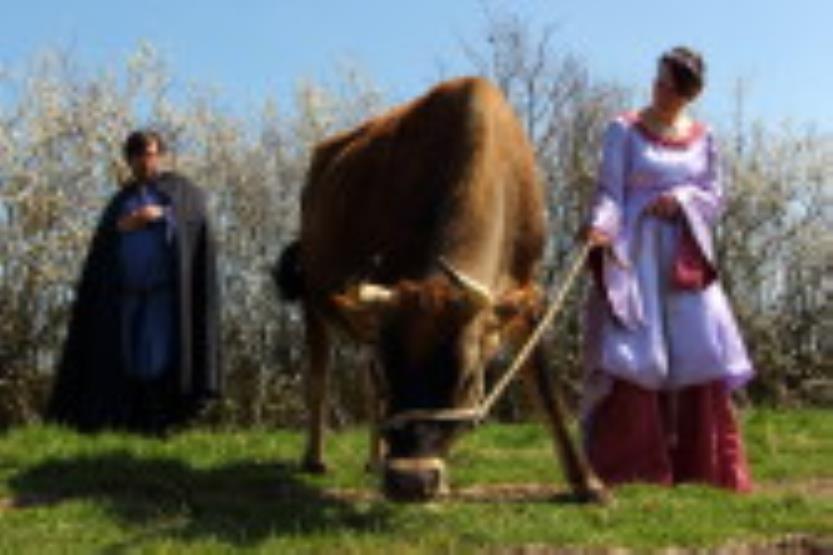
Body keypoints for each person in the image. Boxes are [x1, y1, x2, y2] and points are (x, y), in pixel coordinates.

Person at [579, 47, 754, 491]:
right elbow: (610, 192)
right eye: (658, 80)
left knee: (699, 349)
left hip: (685, 255)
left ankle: (702, 466)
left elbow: (714, 197)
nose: (659, 90)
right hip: (635, 252)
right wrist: (600, 228)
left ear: (688, 92)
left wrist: (680, 200)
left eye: (670, 85)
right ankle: (634, 468)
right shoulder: (624, 129)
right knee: (638, 351)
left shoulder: (704, 137)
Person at [47, 130, 221, 434]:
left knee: (159, 357)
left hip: (164, 296)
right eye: (139, 155)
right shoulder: (120, 201)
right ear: (129, 160)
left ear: (161, 156)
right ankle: (132, 422)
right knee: (129, 358)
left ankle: (162, 423)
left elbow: (194, 226)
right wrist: (121, 227)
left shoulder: (182, 192)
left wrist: (163, 216)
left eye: (151, 154)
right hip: (125, 295)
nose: (146, 161)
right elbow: (103, 250)